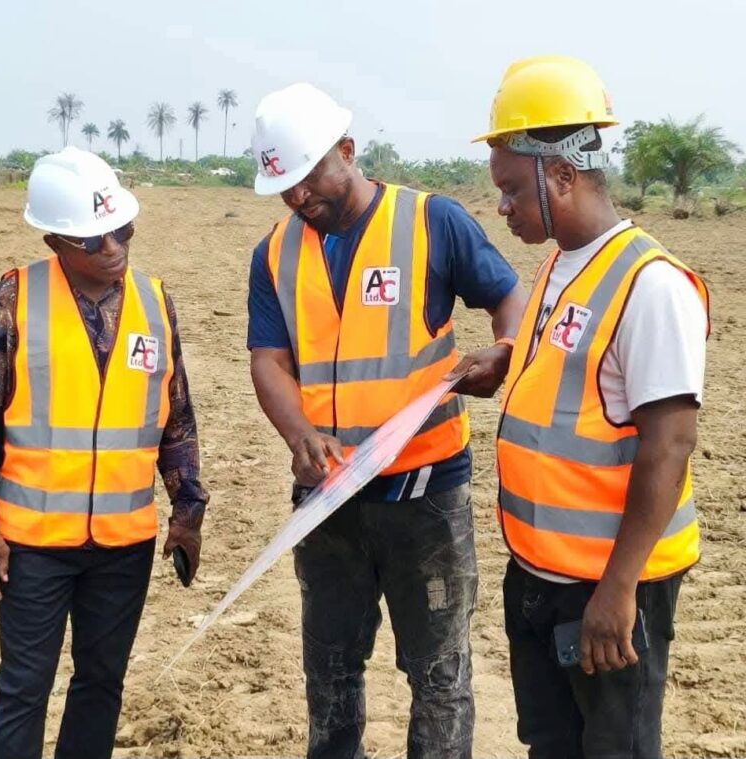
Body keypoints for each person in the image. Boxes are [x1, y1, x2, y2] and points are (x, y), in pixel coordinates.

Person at [247, 82, 526, 759]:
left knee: (438, 673)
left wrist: (508, 354)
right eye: (282, 186)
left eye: (307, 177)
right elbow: (269, 360)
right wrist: (298, 436)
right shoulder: (275, 254)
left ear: (347, 149)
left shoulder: (432, 221)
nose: (297, 197)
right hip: (330, 499)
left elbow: (509, 295)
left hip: (425, 495)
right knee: (332, 671)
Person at [458, 56, 709, 758]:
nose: (501, 206)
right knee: (552, 744)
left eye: (510, 189)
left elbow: (669, 444)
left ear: (561, 175)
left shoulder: (651, 286)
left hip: (608, 590)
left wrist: (618, 590)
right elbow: (578, 371)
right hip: (539, 574)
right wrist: (507, 357)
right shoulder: (560, 263)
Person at [0, 147, 209, 759]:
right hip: (29, 546)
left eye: (122, 230)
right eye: (94, 239)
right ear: (55, 240)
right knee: (24, 690)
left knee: (101, 684)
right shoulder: (10, 302)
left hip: (122, 545)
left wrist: (188, 511)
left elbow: (176, 418)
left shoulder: (156, 304)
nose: (114, 247)